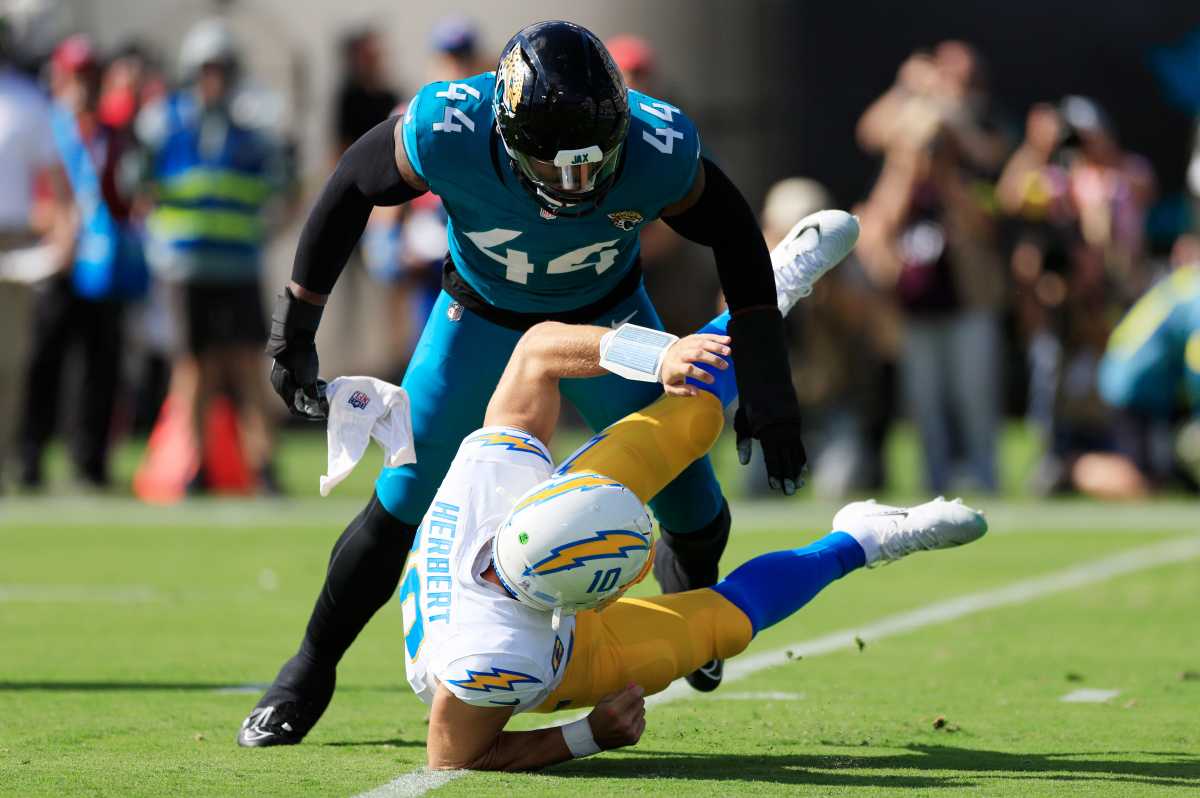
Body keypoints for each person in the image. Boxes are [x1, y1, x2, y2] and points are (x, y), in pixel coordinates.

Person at [243, 19, 845, 745]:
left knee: (693, 503)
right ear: (504, 132)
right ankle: (309, 668)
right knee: (401, 498)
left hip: (608, 321)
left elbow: (735, 232)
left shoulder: (657, 143)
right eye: (554, 165)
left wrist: (769, 378)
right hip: (478, 317)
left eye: (593, 164)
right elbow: (350, 184)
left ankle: (689, 593)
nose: (575, 184)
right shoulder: (450, 126)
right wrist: (294, 324)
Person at [340, 224, 985, 770]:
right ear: (591, 600)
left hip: (531, 571)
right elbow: (451, 757)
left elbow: (536, 350)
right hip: (559, 658)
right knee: (720, 625)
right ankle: (863, 538)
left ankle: (767, 292)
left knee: (689, 419)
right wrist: (586, 735)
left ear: (545, 496)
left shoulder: (494, 478)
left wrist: (656, 354)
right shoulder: (492, 661)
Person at [137, 19, 288, 493]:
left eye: (221, 68)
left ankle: (264, 468)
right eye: (206, 68)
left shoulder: (253, 128)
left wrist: (268, 229)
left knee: (246, 367)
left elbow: (284, 185)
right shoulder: (164, 124)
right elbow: (137, 183)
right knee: (193, 370)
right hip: (185, 267)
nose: (214, 78)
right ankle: (195, 467)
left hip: (238, 264)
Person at [19, 34, 149, 490]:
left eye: (90, 77)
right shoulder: (47, 130)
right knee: (44, 362)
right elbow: (30, 195)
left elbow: (127, 198)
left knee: (102, 364)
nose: (84, 86)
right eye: (76, 76)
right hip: (57, 263)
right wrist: (57, 228)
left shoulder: (114, 134)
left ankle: (90, 461)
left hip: (103, 266)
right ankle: (30, 457)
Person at [0, 16, 73, 491]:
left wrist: (63, 241)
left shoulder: (25, 100)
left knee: (9, 361)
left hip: (12, 241)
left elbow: (58, 182)